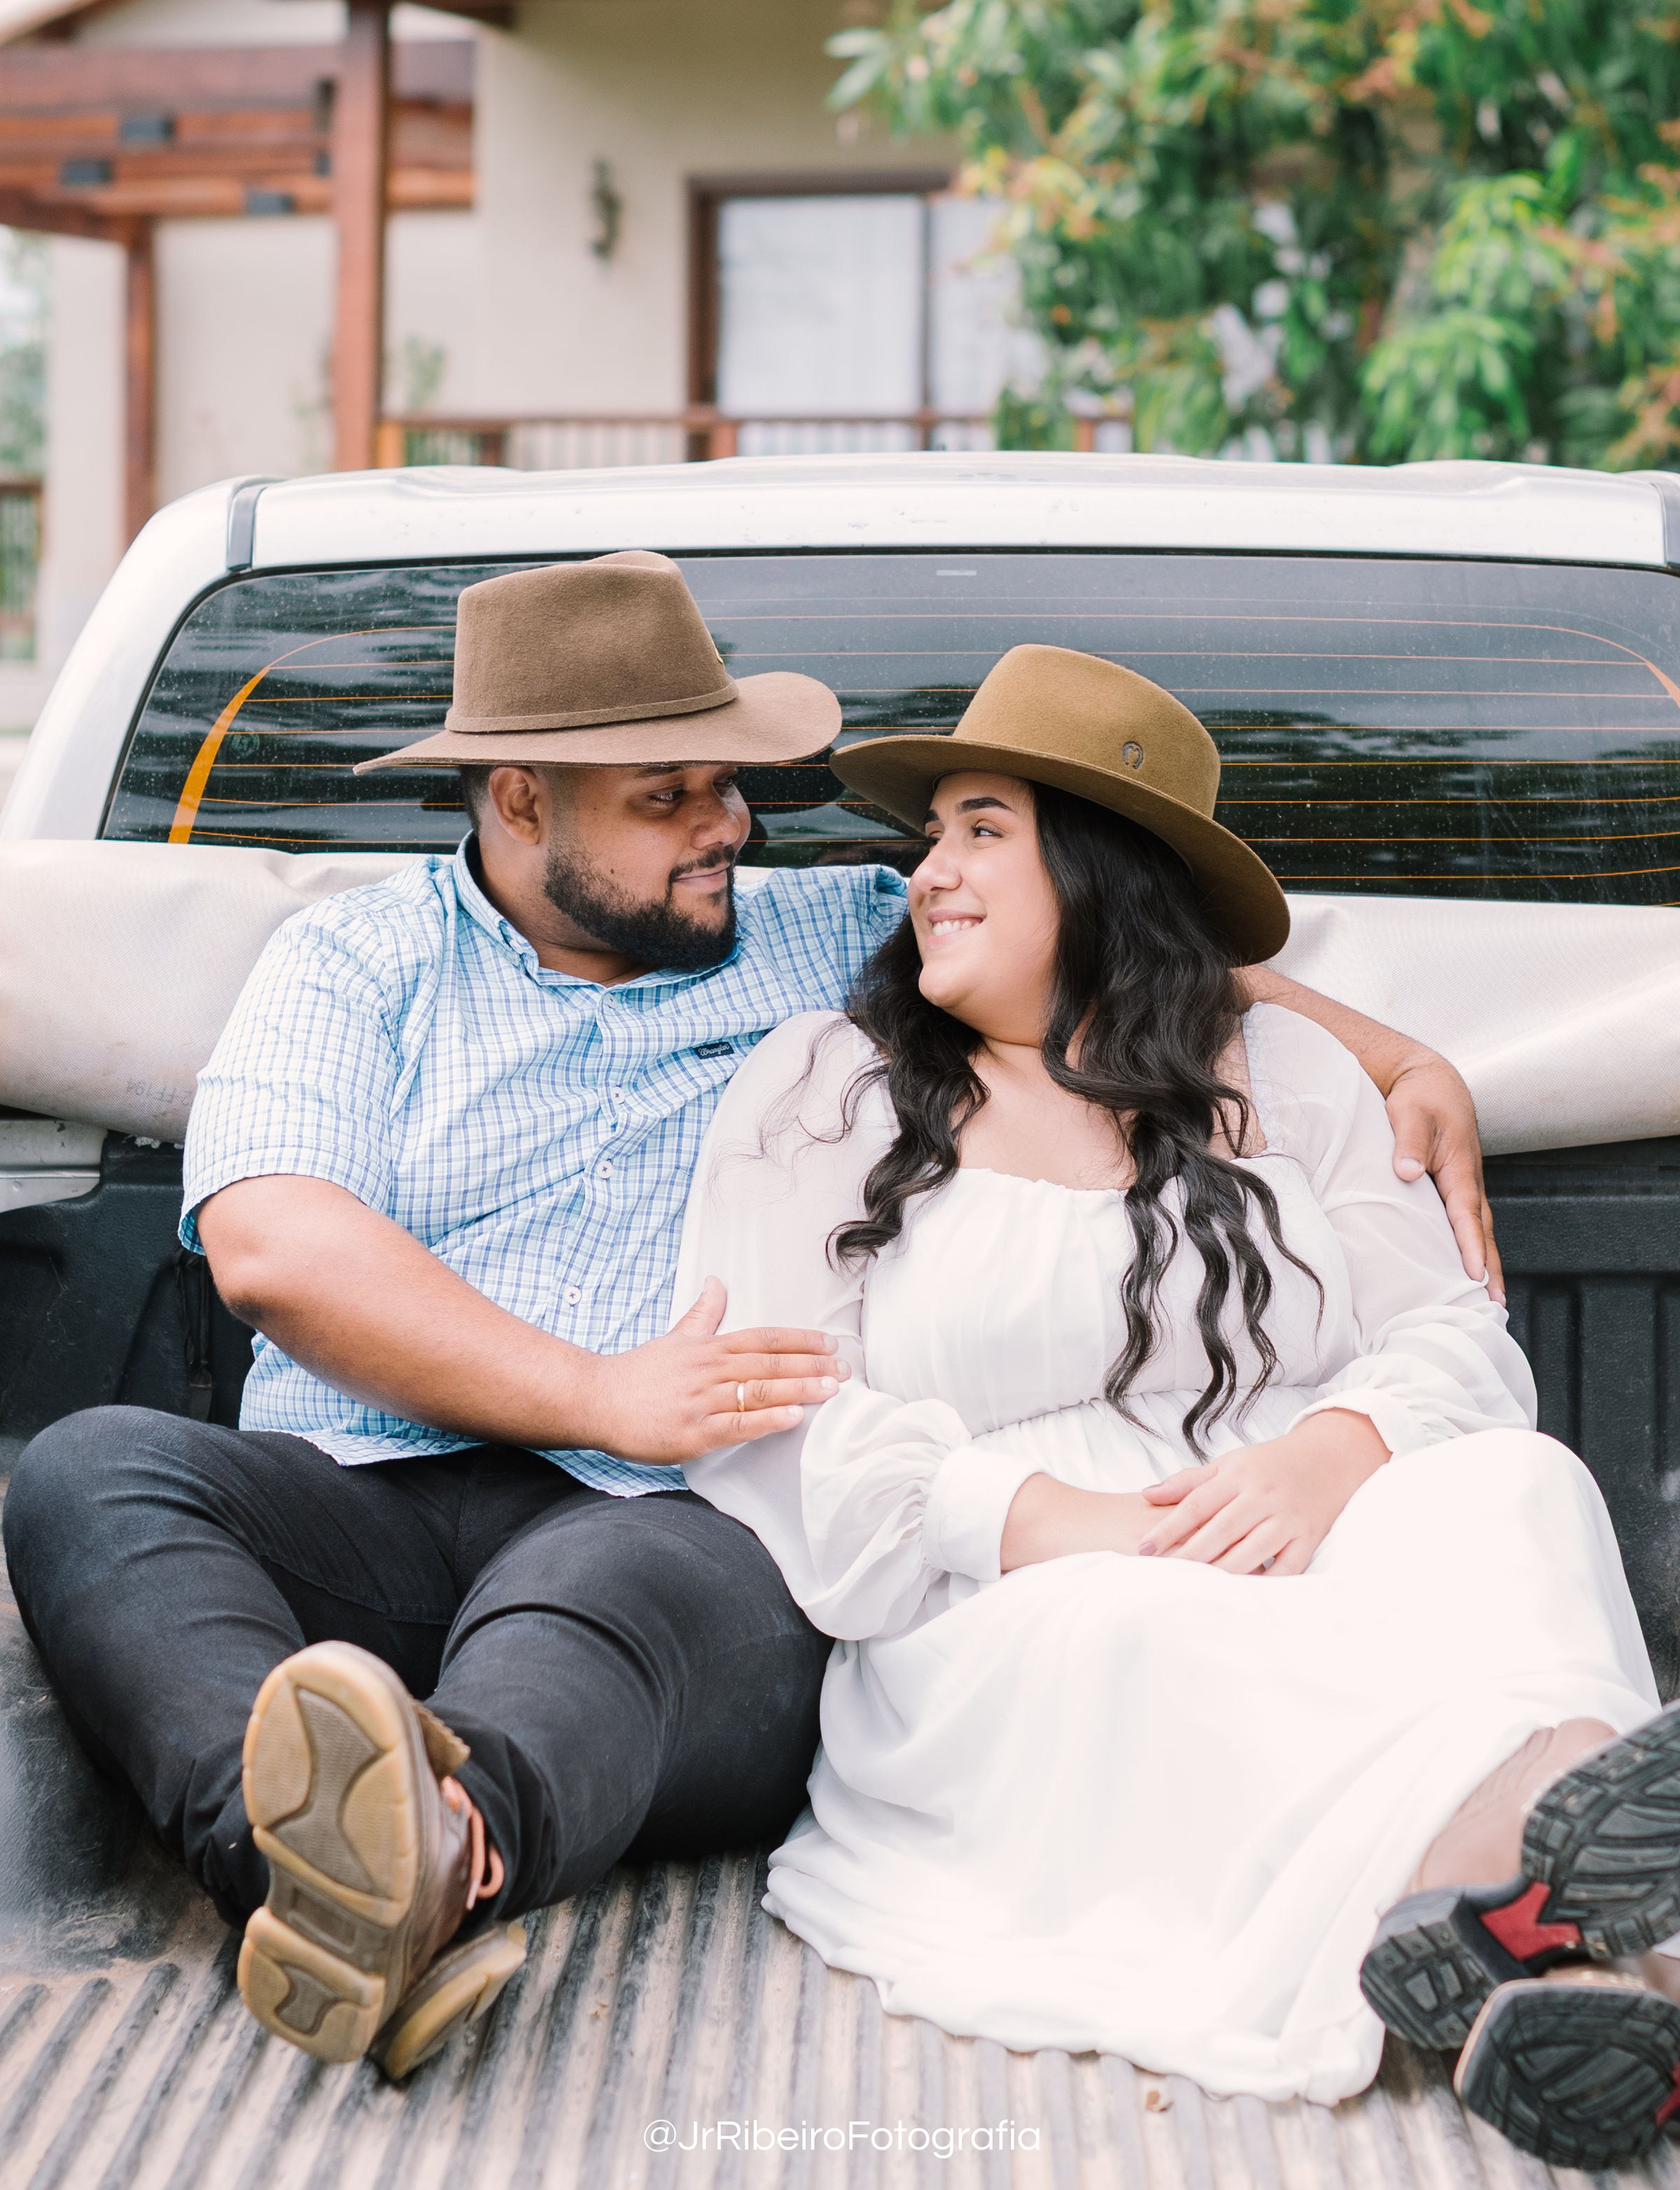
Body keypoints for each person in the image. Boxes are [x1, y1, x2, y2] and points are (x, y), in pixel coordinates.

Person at [3, 556, 1501, 2084]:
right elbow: (274, 1248)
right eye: (669, 797)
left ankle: (442, 1855)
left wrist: (1403, 1063)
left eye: (728, 784)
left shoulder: (821, 929)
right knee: (88, 1473)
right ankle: (310, 1871)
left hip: (669, 1528)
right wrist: (595, 1393)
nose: (727, 825)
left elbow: (1121, 939)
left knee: (605, 1592)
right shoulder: (349, 961)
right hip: (367, 1503)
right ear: (520, 802)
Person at [673, 641, 1680, 2121]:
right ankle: (1548, 1861)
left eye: (980, 831)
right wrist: (1067, 1522)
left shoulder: (1290, 1069)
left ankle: (1559, 1969)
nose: (927, 874)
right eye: (931, 836)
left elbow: (1453, 1332)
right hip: (1011, 1592)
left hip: (1304, 1514)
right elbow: (775, 1419)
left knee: (1519, 1484)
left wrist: (1336, 1449)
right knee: (1146, 1614)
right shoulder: (828, 1086)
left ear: (1103, 871)